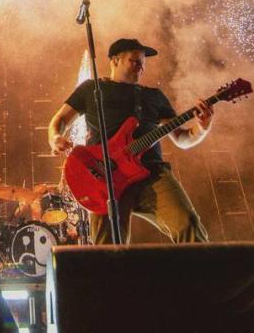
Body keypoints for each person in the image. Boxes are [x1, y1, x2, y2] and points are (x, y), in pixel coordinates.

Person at [47, 38, 214, 244]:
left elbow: (182, 138)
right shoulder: (91, 89)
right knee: (108, 247)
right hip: (105, 176)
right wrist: (55, 137)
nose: (141, 67)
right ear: (115, 60)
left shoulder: (154, 96)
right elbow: (60, 119)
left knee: (188, 224)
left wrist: (202, 127)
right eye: (135, 61)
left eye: (143, 63)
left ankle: (204, 275)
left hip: (151, 173)